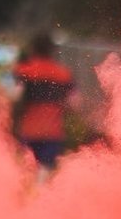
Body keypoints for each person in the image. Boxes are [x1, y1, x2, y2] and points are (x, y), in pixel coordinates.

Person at [11, 32, 74, 180]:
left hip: (29, 130)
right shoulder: (63, 74)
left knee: (26, 169)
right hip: (52, 131)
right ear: (52, 50)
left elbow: (16, 96)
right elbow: (75, 102)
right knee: (44, 171)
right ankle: (39, 192)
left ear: (33, 49)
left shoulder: (25, 71)